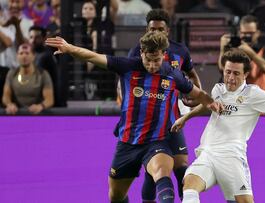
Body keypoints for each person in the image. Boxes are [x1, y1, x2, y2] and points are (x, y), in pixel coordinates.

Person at [45, 31, 223, 203]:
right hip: (127, 144)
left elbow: (198, 94)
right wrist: (69, 48)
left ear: (164, 55)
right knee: (116, 195)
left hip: (157, 141)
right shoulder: (127, 66)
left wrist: (212, 103)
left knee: (162, 172)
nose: (152, 65)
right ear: (141, 53)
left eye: (157, 60)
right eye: (148, 60)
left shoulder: (172, 74)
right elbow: (93, 56)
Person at [171, 48, 265, 203]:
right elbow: (207, 105)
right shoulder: (218, 89)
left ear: (245, 75)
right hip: (208, 154)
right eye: (228, 72)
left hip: (232, 157)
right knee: (189, 185)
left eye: (236, 73)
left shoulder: (253, 94)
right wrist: (185, 118)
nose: (230, 77)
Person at [127, 9, 202, 202]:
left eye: (161, 29)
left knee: (182, 167)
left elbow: (192, 75)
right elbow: (124, 82)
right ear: (146, 30)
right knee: (155, 171)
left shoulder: (180, 51)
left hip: (173, 118)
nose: (157, 32)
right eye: (153, 29)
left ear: (167, 31)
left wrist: (195, 97)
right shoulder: (137, 52)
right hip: (147, 124)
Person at [219, 15, 265, 98]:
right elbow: (222, 69)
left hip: (263, 102)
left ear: (258, 33)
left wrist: (249, 51)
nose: (247, 36)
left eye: (250, 33)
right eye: (244, 33)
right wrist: (222, 49)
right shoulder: (235, 50)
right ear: (239, 32)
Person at [2, 43, 54, 114]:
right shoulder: (11, 74)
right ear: (17, 56)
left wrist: (41, 106)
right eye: (21, 53)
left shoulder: (43, 74)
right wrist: (9, 104)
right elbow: (6, 96)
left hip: (36, 115)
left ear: (33, 56)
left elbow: (49, 99)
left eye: (27, 53)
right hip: (17, 114)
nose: (24, 56)